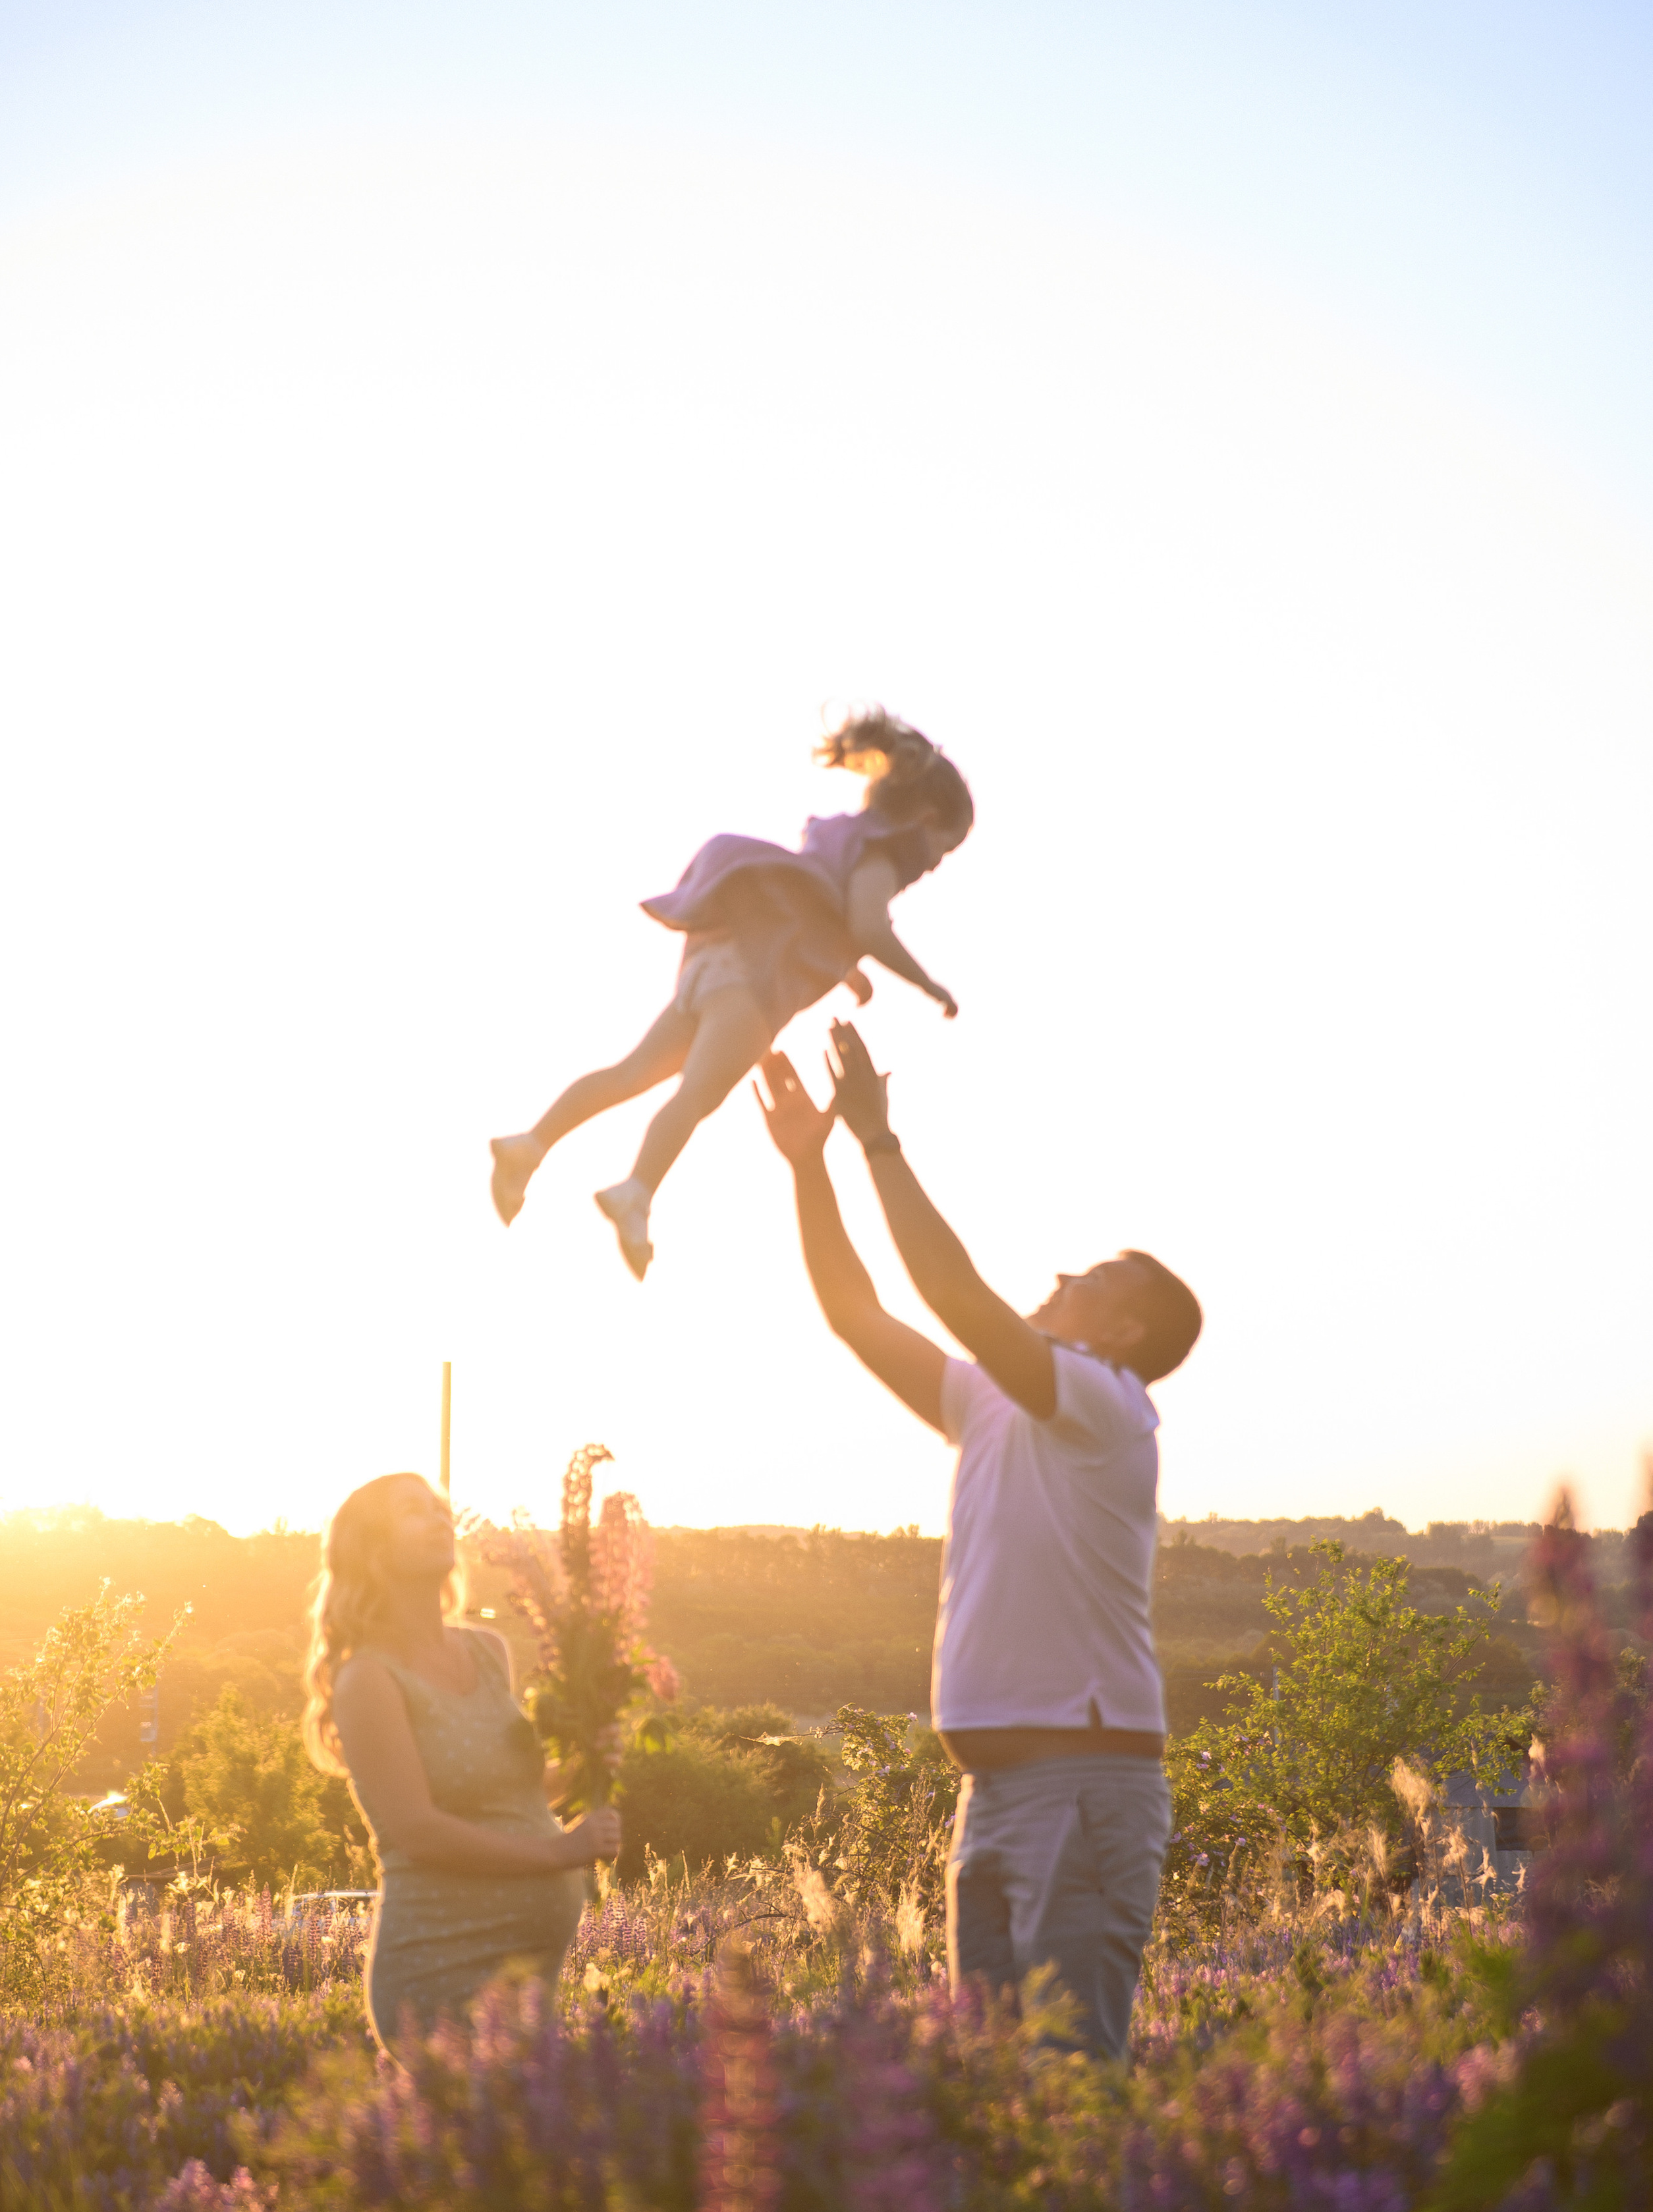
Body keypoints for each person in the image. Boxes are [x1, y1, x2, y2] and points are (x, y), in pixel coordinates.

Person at [754, 1022, 1201, 2060]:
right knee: (994, 2082)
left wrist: (877, 1140)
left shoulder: (1105, 1401)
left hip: (1080, 1786)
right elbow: (854, 1313)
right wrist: (810, 1165)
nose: (1062, 1274)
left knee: (1067, 2075)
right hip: (995, 1793)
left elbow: (953, 1293)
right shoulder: (995, 1399)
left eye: (1093, 1277)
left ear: (1123, 1334)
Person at [489, 710, 972, 1278]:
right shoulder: (882, 854)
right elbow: (868, 925)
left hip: (714, 962)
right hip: (753, 983)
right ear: (926, 819)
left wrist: (848, 972)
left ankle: (531, 1144)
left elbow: (814, 907)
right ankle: (636, 1190)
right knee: (700, 1093)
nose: (934, 865)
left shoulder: (843, 834)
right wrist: (927, 982)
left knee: (632, 1073)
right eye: (943, 850)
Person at [302, 1469, 621, 2051]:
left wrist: (585, 1766)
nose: (438, 1519)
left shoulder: (487, 1649)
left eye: (439, 1509)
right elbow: (419, 1831)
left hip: (527, 1972)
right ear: (373, 1549)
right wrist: (560, 1852)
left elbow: (511, 1791)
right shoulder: (368, 1677)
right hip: (440, 1965)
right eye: (413, 1511)